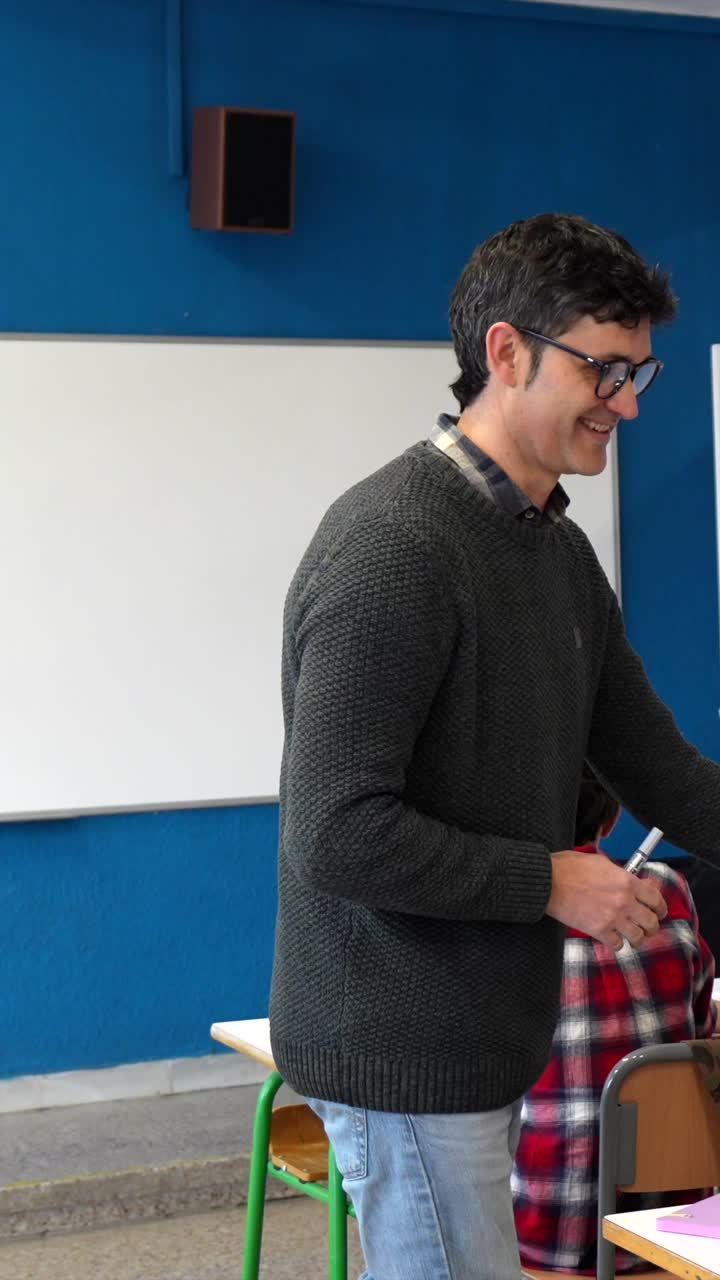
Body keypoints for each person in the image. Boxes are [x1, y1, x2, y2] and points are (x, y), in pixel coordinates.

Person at [269, 212, 720, 1280]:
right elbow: (337, 831)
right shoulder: (395, 544)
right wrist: (552, 879)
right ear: (507, 352)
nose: (630, 402)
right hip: (402, 1046)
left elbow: (659, 766)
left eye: (640, 370)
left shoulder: (557, 554)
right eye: (605, 370)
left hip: (486, 1027)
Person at [512, 767, 716, 1274]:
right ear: (615, 813)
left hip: (542, 1237)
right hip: (675, 1232)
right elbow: (698, 1024)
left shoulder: (507, 914)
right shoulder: (666, 889)